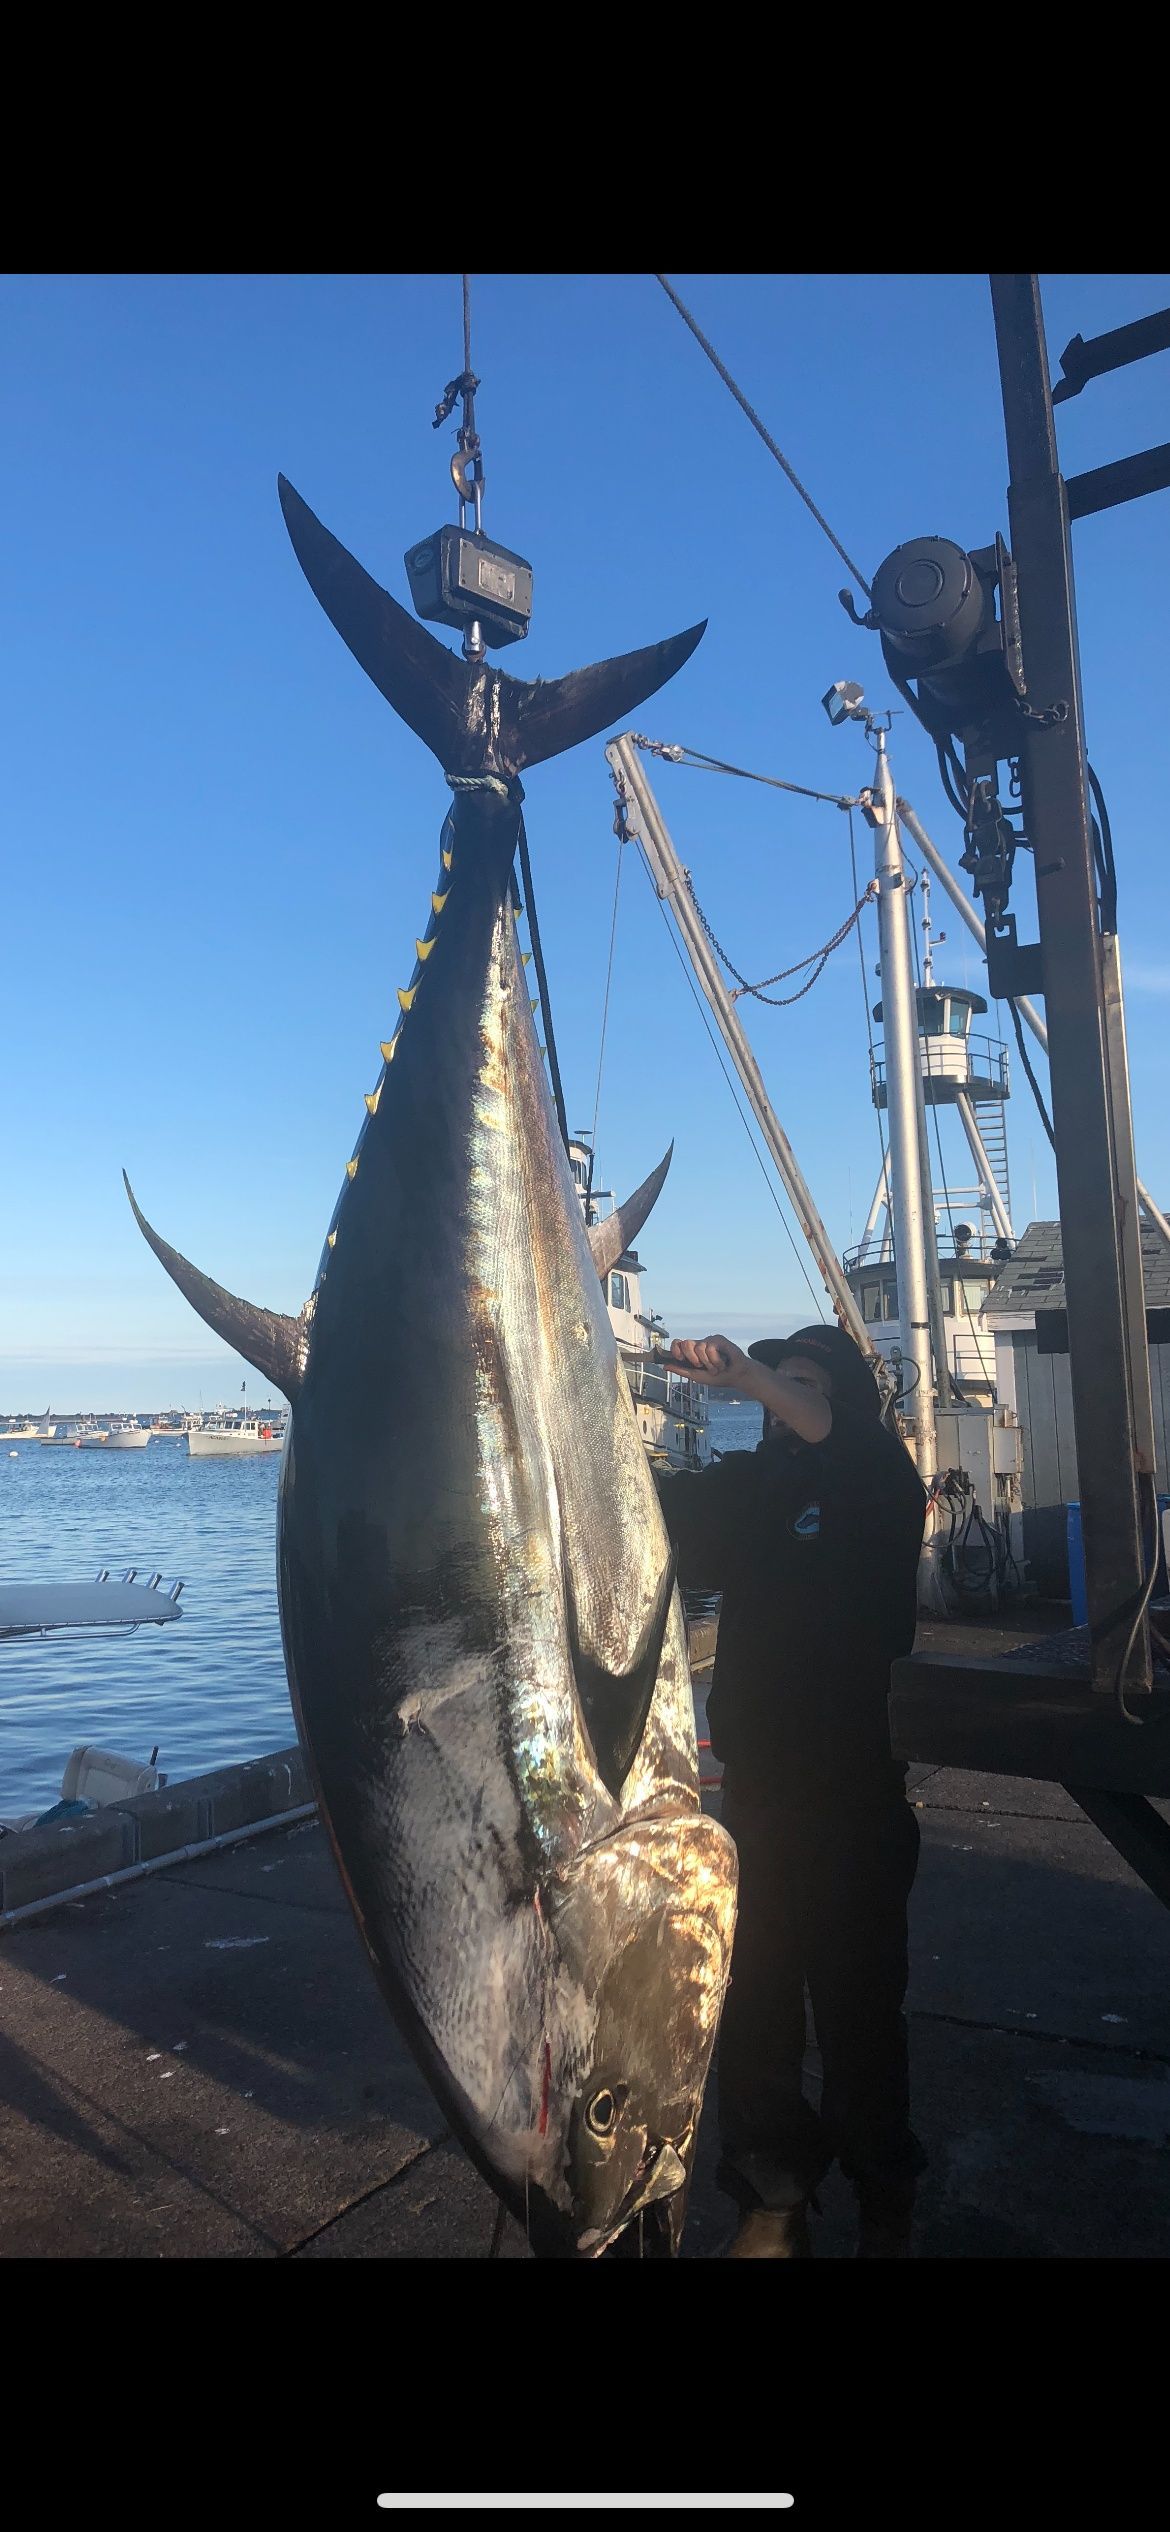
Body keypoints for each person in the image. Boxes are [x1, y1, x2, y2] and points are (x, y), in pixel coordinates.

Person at [655, 1322, 928, 2258]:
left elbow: (830, 1431)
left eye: (803, 1384)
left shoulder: (880, 1480)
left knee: (859, 2011)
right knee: (757, 2008)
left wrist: (753, 1374)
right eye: (775, 1388)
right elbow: (650, 1510)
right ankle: (772, 2199)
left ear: (839, 1399)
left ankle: (884, 2193)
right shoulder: (752, 1489)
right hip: (759, 1796)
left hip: (856, 1795)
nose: (780, 1403)